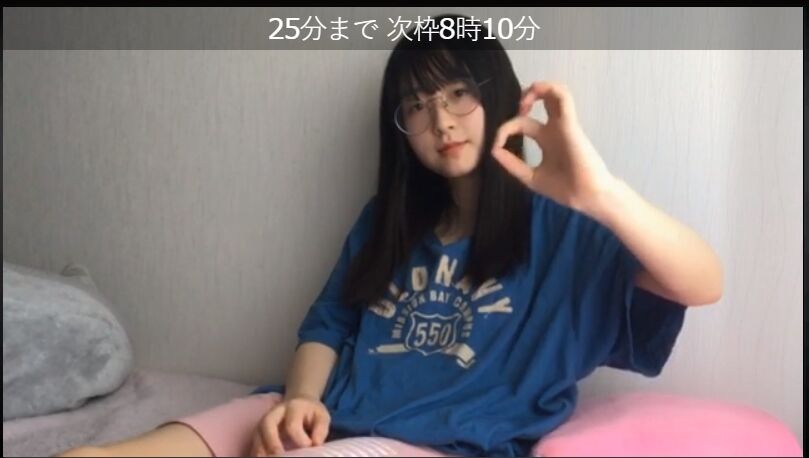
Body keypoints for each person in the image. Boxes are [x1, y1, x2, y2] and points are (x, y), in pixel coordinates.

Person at [58, 13, 722, 458]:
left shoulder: (568, 232)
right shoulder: (388, 221)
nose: (441, 120)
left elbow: (702, 282)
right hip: (323, 413)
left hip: (436, 443)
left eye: (457, 93)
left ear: (496, 93)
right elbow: (327, 326)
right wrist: (299, 402)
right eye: (416, 106)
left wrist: (600, 193)